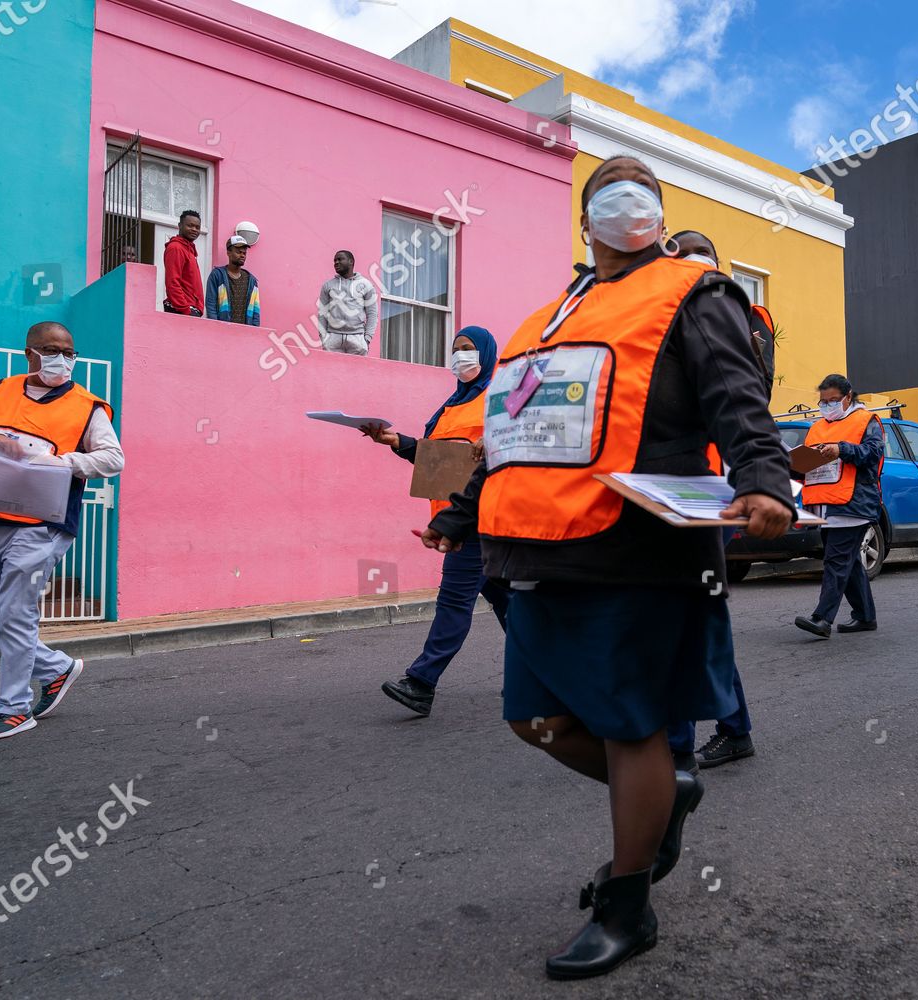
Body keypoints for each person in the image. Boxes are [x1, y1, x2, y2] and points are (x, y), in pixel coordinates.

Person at [422, 156, 794, 979]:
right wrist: (456, 511)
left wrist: (764, 479)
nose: (627, 201)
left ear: (658, 215)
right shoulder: (544, 321)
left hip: (639, 548)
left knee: (631, 730)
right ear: (583, 220)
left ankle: (629, 906)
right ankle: (669, 794)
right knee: (536, 721)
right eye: (608, 190)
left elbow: (739, 398)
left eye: (643, 191)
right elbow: (508, 433)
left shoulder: (696, 294)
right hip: (538, 553)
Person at [0, 322, 124, 741]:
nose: (61, 358)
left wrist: (65, 462)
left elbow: (113, 458)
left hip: (45, 522)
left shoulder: (88, 406)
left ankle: (14, 708)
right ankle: (56, 668)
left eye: (68, 351)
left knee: (16, 612)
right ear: (30, 354)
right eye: (50, 349)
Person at [361, 326, 509, 717]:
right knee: (511, 604)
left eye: (468, 349)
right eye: (456, 349)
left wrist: (494, 441)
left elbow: (513, 449)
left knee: (454, 601)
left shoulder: (502, 399)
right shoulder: (449, 406)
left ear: (487, 353)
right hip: (454, 516)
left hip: (481, 519)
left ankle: (422, 682)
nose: (460, 356)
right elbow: (437, 461)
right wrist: (395, 442)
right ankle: (544, 679)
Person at [664, 230, 766, 772]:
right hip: (691, 487)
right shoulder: (727, 313)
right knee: (694, 616)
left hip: (700, 490)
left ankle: (683, 746)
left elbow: (741, 403)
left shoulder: (709, 306)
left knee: (693, 617)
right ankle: (728, 728)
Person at [794, 374, 884, 638]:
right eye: (823, 402)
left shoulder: (866, 421)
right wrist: (793, 466)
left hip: (853, 505)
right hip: (825, 507)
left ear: (848, 397)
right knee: (848, 562)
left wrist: (841, 449)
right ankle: (865, 617)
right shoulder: (817, 426)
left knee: (836, 560)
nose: (827, 406)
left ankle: (822, 619)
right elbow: (809, 465)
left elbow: (873, 454)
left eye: (833, 400)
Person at [317, 250, 378, 355]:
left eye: (340, 259)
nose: (336, 262)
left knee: (358, 371)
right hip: (333, 338)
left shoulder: (366, 285)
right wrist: (324, 337)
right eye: (335, 260)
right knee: (332, 371)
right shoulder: (328, 285)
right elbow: (322, 313)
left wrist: (367, 338)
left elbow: (372, 314)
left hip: (357, 338)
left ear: (351, 261)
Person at [205, 235, 261, 326]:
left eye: (244, 253)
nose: (242, 255)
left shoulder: (251, 280)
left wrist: (254, 332)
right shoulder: (217, 275)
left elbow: (256, 311)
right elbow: (211, 305)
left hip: (245, 332)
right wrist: (215, 327)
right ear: (229, 252)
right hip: (222, 331)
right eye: (239, 252)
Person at [162, 210, 204, 316]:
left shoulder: (189, 250)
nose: (194, 229)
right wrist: (185, 309)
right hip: (182, 310)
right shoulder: (176, 248)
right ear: (180, 226)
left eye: (197, 227)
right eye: (190, 225)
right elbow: (172, 281)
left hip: (191, 308)